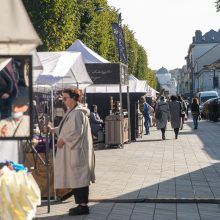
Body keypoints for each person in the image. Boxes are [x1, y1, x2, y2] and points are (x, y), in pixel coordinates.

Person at [48, 88, 95, 216]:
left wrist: (62, 141)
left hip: (77, 151)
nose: (63, 101)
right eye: (62, 98)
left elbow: (75, 133)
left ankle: (83, 206)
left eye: (65, 98)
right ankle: (81, 205)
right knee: (77, 177)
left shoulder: (77, 113)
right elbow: (67, 128)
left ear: (73, 98)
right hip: (74, 151)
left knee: (79, 177)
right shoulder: (73, 111)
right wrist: (54, 130)